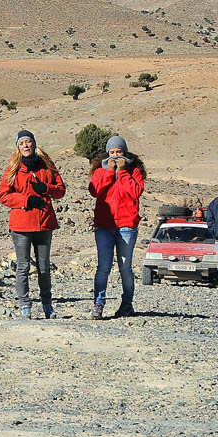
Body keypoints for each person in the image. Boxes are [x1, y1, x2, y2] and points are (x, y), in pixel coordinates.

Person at [0, 130, 66, 320]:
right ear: (18, 147)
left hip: (44, 223)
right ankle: (25, 305)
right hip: (21, 225)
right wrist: (25, 200)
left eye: (28, 142)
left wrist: (46, 189)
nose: (26, 145)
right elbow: (3, 195)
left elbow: (61, 190)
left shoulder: (46, 164)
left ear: (34, 144)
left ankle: (47, 305)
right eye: (22, 143)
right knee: (23, 266)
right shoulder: (14, 167)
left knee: (44, 267)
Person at [88, 135, 145, 319]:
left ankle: (127, 303)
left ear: (125, 153)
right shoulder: (100, 171)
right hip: (104, 225)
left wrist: (122, 172)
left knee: (125, 267)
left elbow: (135, 192)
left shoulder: (134, 171)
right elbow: (94, 191)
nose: (115, 156)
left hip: (127, 225)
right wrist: (109, 172)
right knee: (103, 267)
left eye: (119, 152)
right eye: (112, 152)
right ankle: (98, 303)